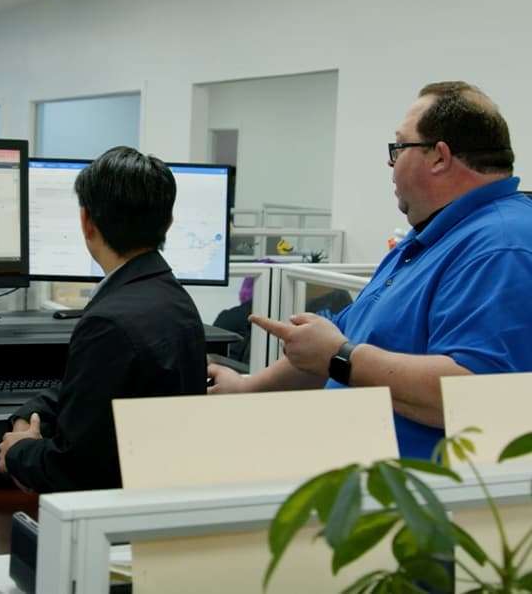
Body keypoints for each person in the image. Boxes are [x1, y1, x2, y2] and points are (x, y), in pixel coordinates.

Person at [210, 81, 532, 460]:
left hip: (421, 501)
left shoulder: (502, 245)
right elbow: (339, 345)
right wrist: (249, 389)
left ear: (439, 157)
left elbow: (474, 394)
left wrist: (340, 357)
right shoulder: (430, 237)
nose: (390, 164)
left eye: (398, 148)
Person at [0, 146, 207, 492]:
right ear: (168, 222)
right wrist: (30, 412)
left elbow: (72, 471)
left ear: (86, 222)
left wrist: (19, 451)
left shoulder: (109, 323)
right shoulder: (174, 299)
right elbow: (95, 392)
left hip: (110, 520)